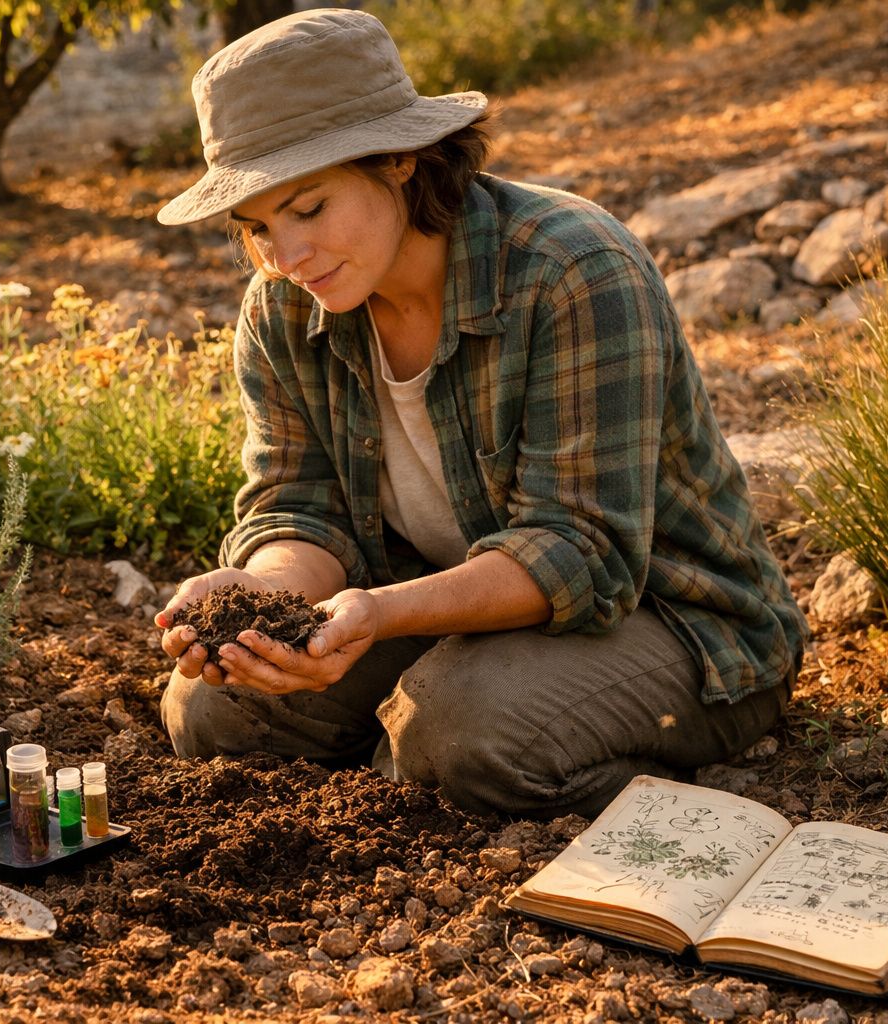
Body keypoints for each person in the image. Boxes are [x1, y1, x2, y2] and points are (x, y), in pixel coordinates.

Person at [152, 8, 807, 818]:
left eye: (310, 209)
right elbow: (298, 505)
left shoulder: (573, 269)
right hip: (444, 606)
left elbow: (580, 550)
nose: (285, 259)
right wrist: (258, 602)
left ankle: (597, 780)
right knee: (211, 706)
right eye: (255, 230)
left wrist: (379, 613)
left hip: (670, 618)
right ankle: (425, 749)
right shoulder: (283, 309)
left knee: (456, 733)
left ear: (397, 159)